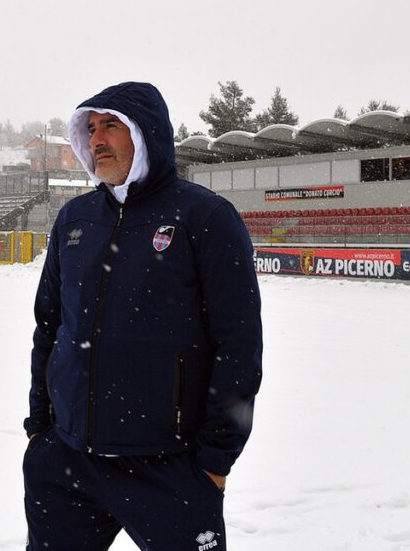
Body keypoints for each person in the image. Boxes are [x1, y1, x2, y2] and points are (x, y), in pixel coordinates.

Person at [23, 82, 263, 550]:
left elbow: (238, 345)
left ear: (145, 132)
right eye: (90, 129)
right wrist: (40, 432)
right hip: (68, 462)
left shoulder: (206, 217)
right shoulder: (74, 220)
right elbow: (49, 327)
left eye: (111, 125)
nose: (96, 139)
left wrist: (214, 462)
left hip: (169, 467)